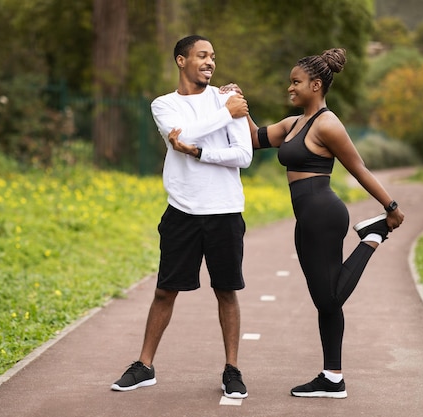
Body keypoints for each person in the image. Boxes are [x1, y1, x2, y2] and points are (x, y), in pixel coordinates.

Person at [221, 48, 405, 398]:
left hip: (323, 214)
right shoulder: (294, 124)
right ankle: (332, 376)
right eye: (290, 82)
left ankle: (373, 235)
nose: (290, 88)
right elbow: (255, 138)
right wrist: (238, 103)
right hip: (305, 219)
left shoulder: (327, 124)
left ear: (316, 85)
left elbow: (359, 168)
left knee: (331, 297)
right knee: (323, 298)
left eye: (296, 82)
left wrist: (390, 207)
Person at [110, 35, 253, 399]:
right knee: (164, 291)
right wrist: (223, 117)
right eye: (202, 55)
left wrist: (201, 151)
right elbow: (179, 135)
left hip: (224, 211)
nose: (210, 62)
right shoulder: (164, 104)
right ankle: (144, 366)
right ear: (181, 60)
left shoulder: (227, 97)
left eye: (213, 57)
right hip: (183, 211)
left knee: (227, 291)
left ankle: (232, 370)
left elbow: (243, 155)